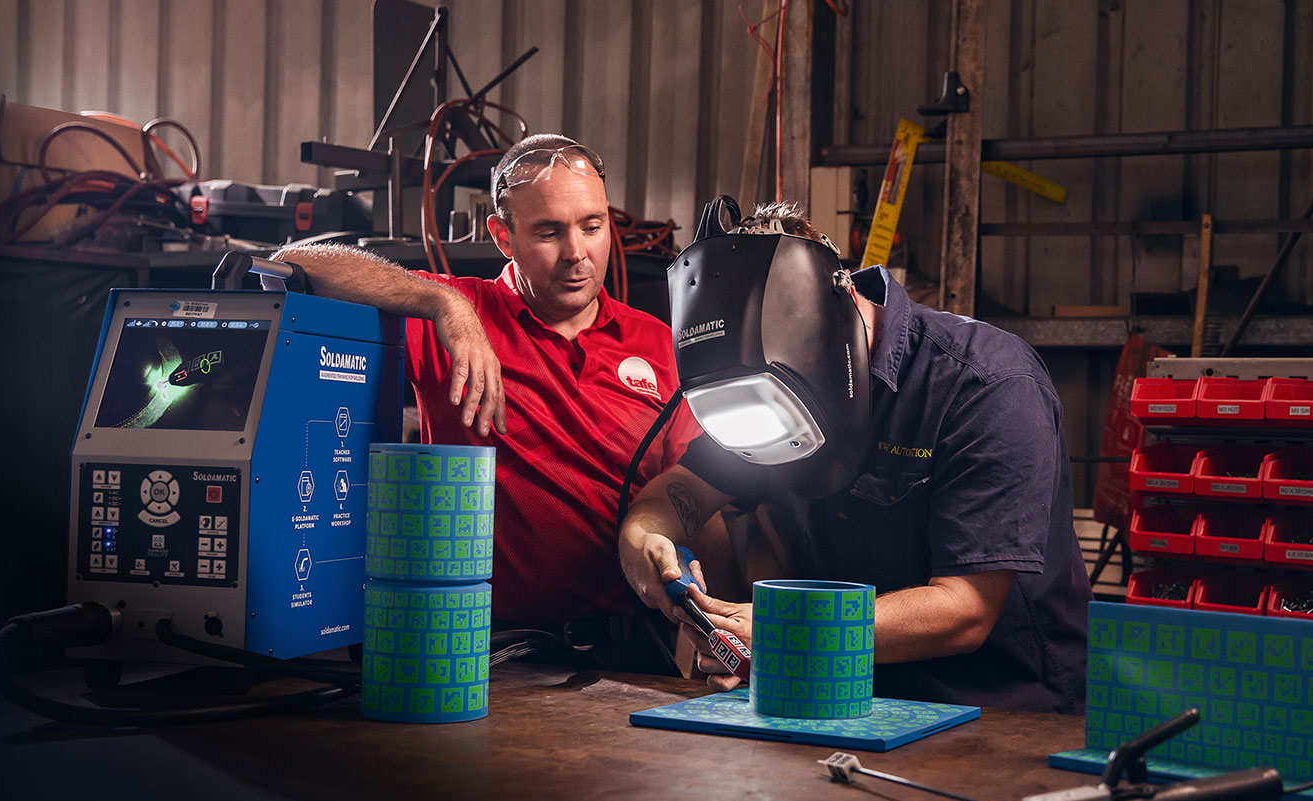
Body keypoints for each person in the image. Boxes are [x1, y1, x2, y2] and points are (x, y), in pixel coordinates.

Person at [618, 202, 1089, 713]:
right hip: (845, 698)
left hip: (999, 708)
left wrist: (791, 632)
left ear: (837, 316)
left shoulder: (985, 386)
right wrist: (644, 542)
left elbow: (966, 609)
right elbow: (679, 491)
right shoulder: (758, 391)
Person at [276, 134, 704, 667]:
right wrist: (443, 303)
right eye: (549, 232)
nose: (576, 253)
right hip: (488, 656)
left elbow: (697, 488)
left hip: (634, 650)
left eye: (592, 227)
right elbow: (293, 263)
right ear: (502, 235)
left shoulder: (661, 344)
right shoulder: (460, 317)